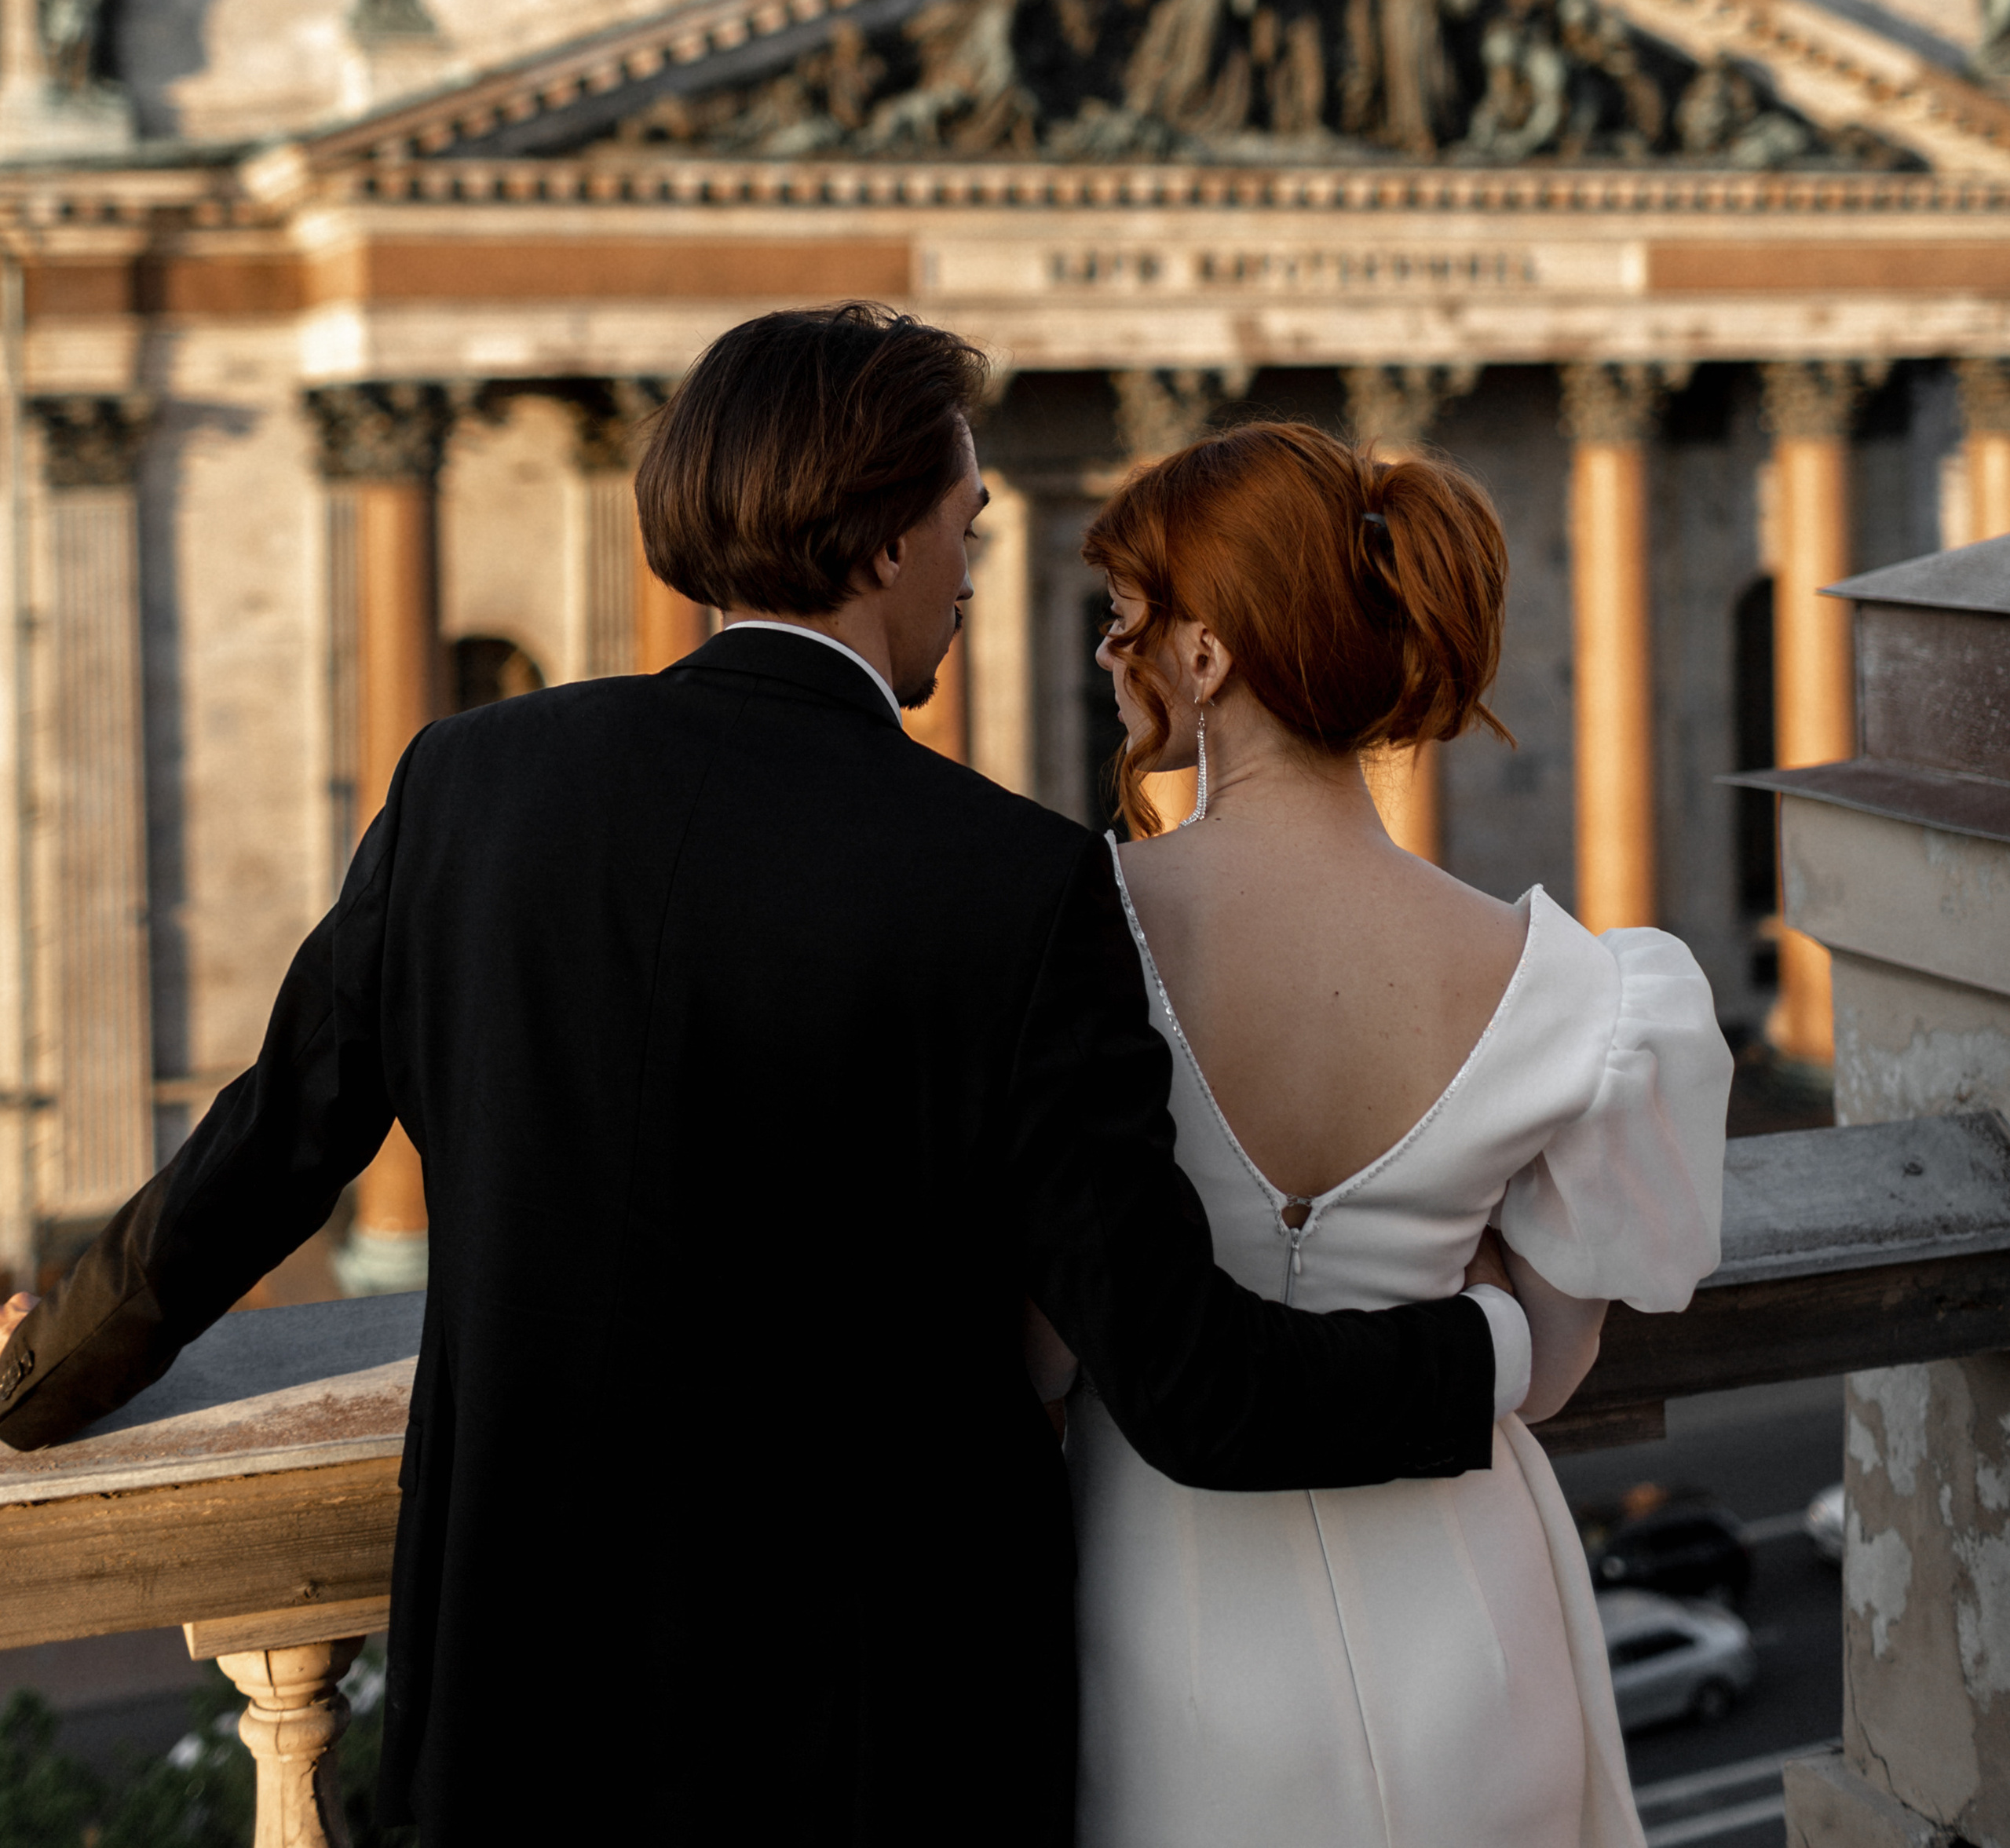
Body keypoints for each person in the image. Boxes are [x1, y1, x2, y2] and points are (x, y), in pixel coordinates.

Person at [0, 309, 1530, 1848]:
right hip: (880, 1758)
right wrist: (1491, 1347)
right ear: (884, 545)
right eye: (965, 524)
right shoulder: (1014, 882)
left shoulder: (468, 786)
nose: (971, 571)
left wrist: (41, 1369)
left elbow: (264, 1151)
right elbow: (1191, 1387)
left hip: (518, 1730)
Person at [1062, 420, 1732, 1848]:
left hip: (1167, 1616)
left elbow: (1050, 1347)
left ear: (1207, 654)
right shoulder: (1573, 987)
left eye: (1125, 619)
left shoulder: (1076, 937)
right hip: (1474, 1612)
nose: (1108, 657)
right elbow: (1550, 1368)